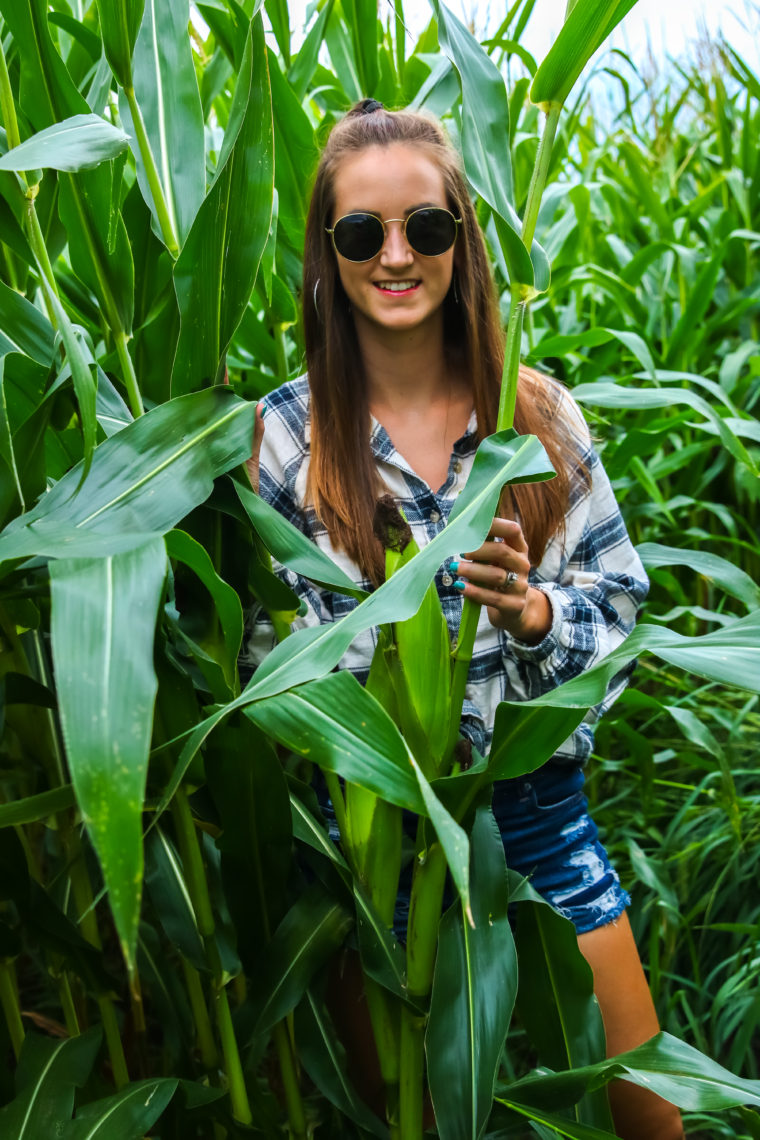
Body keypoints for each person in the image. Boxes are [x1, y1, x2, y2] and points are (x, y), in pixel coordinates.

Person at [242, 99, 684, 1140]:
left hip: (534, 818)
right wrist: (392, 642)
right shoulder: (282, 440)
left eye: (425, 229)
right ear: (328, 252)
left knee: (652, 1116)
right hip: (374, 848)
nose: (396, 255)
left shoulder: (537, 415)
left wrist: (531, 614)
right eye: (363, 233)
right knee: (413, 1120)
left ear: (460, 241)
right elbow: (270, 670)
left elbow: (619, 610)